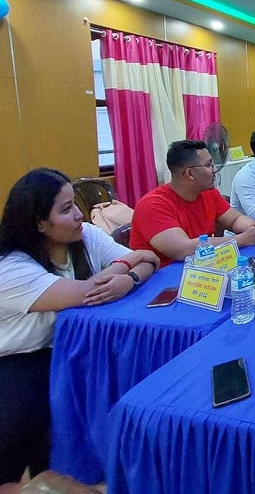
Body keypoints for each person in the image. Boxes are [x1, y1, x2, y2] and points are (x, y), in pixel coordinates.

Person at [0, 169, 159, 484]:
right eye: (65, 209)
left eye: (74, 204)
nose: (78, 215)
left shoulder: (86, 235)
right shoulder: (11, 268)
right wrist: (128, 265)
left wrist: (128, 278)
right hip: (22, 360)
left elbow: (148, 260)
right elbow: (87, 294)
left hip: (73, 346)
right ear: (39, 223)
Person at [130, 140, 255, 265]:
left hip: (202, 268)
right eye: (209, 165)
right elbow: (182, 250)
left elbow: (234, 219)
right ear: (190, 173)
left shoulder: (208, 192)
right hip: (163, 279)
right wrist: (242, 239)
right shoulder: (152, 205)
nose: (214, 170)